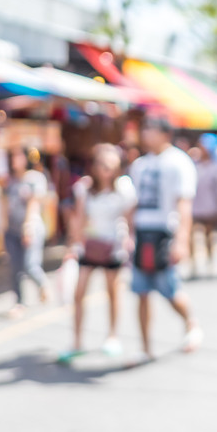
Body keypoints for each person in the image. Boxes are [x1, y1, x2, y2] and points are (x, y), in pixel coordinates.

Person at [129, 116, 202, 361]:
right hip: (142, 233)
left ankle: (190, 323)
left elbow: (184, 205)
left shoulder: (179, 162)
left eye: (149, 129)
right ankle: (145, 347)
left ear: (164, 133)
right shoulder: (139, 165)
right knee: (141, 291)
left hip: (165, 234)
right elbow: (134, 203)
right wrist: (128, 233)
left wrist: (182, 240)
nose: (145, 134)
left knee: (170, 290)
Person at [60, 144, 137, 363]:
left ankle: (113, 336)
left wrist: (128, 240)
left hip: (112, 246)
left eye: (112, 166)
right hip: (89, 245)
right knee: (79, 293)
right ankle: (76, 340)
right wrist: (73, 245)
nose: (107, 170)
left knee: (113, 291)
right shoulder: (84, 188)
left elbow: (129, 220)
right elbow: (79, 218)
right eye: (103, 165)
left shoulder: (124, 188)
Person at [4, 147, 50, 317]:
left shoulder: (34, 178)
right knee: (15, 268)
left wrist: (28, 227)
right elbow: (5, 203)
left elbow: (34, 202)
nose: (15, 159)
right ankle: (19, 302)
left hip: (31, 228)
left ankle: (43, 284)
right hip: (12, 229)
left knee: (30, 265)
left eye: (18, 155)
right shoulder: (10, 180)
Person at [191, 133, 217, 277]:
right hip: (195, 209)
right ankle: (194, 265)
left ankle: (209, 261)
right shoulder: (194, 164)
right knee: (195, 237)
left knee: (210, 237)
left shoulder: (216, 167)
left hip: (210, 209)